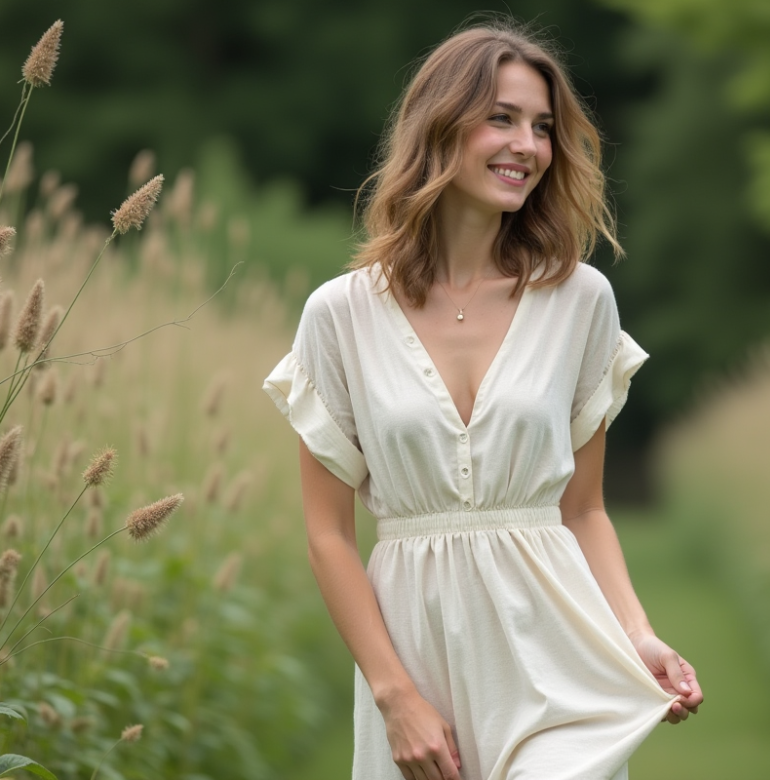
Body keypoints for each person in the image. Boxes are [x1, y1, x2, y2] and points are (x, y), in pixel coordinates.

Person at [263, 19, 703, 780]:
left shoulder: (580, 300)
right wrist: (395, 696)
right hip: (418, 659)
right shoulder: (338, 316)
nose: (528, 145)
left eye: (542, 128)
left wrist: (636, 634)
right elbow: (329, 537)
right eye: (501, 118)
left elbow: (584, 510)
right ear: (439, 126)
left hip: (559, 648)